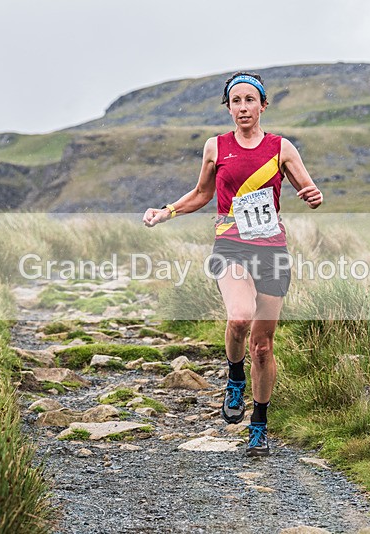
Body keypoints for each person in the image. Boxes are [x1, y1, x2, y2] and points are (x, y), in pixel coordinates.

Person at [143, 72, 322, 456]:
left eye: (250, 100)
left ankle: (259, 424)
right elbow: (202, 194)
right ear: (228, 107)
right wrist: (168, 211)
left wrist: (313, 195)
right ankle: (235, 379)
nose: (243, 107)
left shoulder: (281, 148)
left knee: (263, 346)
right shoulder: (216, 147)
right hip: (231, 246)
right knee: (239, 318)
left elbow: (308, 189)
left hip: (271, 249)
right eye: (236, 101)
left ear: (263, 105)